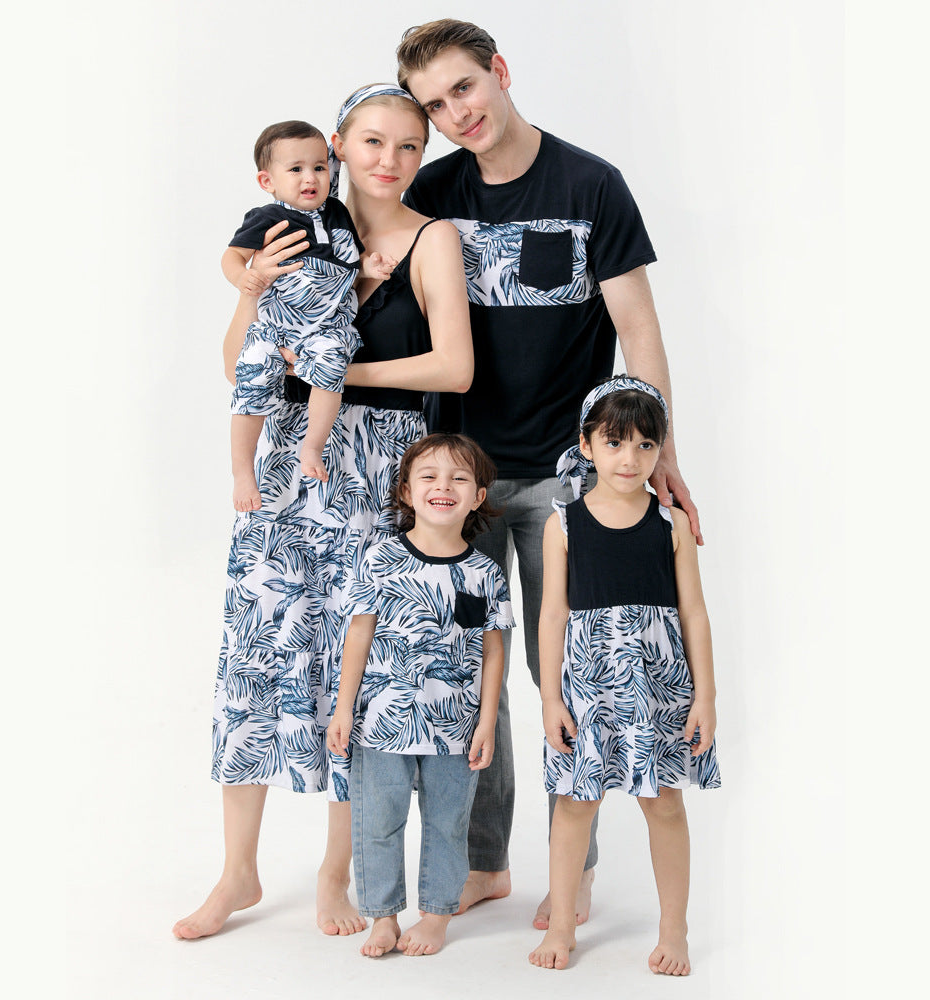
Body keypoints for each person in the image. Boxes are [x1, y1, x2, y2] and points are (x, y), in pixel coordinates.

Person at [395, 18, 702, 925]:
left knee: (563, 668)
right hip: (460, 487)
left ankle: (576, 871)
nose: (456, 114)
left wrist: (663, 453)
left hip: (570, 485)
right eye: (433, 105)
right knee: (467, 669)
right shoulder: (433, 191)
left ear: (499, 70)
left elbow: (638, 328)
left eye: (463, 88)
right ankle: (484, 863)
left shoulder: (590, 184)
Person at [172, 84, 473, 941]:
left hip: (379, 467)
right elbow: (237, 360)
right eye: (372, 142)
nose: (390, 160)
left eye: (409, 146)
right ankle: (237, 871)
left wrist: (328, 373)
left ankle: (338, 872)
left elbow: (452, 368)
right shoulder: (298, 224)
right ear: (339, 146)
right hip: (285, 466)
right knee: (257, 651)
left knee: (357, 665)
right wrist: (253, 291)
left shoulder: (430, 239)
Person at [529, 376, 719, 973]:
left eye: (645, 444)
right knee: (574, 805)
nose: (630, 458)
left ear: (659, 450)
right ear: (587, 446)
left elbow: (694, 612)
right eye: (614, 443)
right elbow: (552, 614)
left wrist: (706, 698)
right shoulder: (563, 524)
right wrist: (551, 698)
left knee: (662, 804)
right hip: (589, 687)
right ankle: (563, 926)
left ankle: (673, 931)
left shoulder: (672, 525)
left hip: (659, 688)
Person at [327, 433, 513, 958]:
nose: (443, 486)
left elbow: (493, 654)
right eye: (429, 476)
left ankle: (435, 916)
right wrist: (343, 708)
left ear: (477, 496)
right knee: (377, 822)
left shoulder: (485, 573)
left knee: (448, 823)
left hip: (455, 728)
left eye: (459, 478)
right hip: (382, 723)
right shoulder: (381, 558)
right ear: (407, 491)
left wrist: (486, 722)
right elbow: (358, 635)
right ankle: (383, 917)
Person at [224, 120, 396, 489]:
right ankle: (242, 471)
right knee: (251, 379)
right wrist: (243, 277)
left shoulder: (337, 213)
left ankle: (312, 447)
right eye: (296, 169)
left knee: (333, 362)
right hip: (277, 327)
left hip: (326, 326)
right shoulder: (267, 218)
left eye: (319, 167)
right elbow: (231, 256)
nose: (310, 178)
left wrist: (370, 267)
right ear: (267, 181)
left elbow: (349, 262)